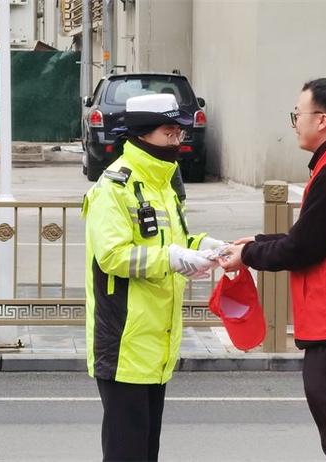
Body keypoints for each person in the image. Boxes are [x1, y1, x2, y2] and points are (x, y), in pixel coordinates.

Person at [219, 78, 326, 462]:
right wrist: (256, 242)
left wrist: (249, 255)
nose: (295, 122)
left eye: (297, 114)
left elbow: (303, 248)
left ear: (322, 120)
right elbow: (320, 234)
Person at [82, 93, 226, 462]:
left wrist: (205, 246)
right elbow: (112, 255)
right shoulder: (113, 188)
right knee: (126, 452)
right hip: (125, 340)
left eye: (179, 132)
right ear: (143, 134)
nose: (178, 140)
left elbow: (174, 240)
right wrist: (173, 257)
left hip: (157, 342)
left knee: (146, 451)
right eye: (169, 132)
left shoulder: (164, 184)